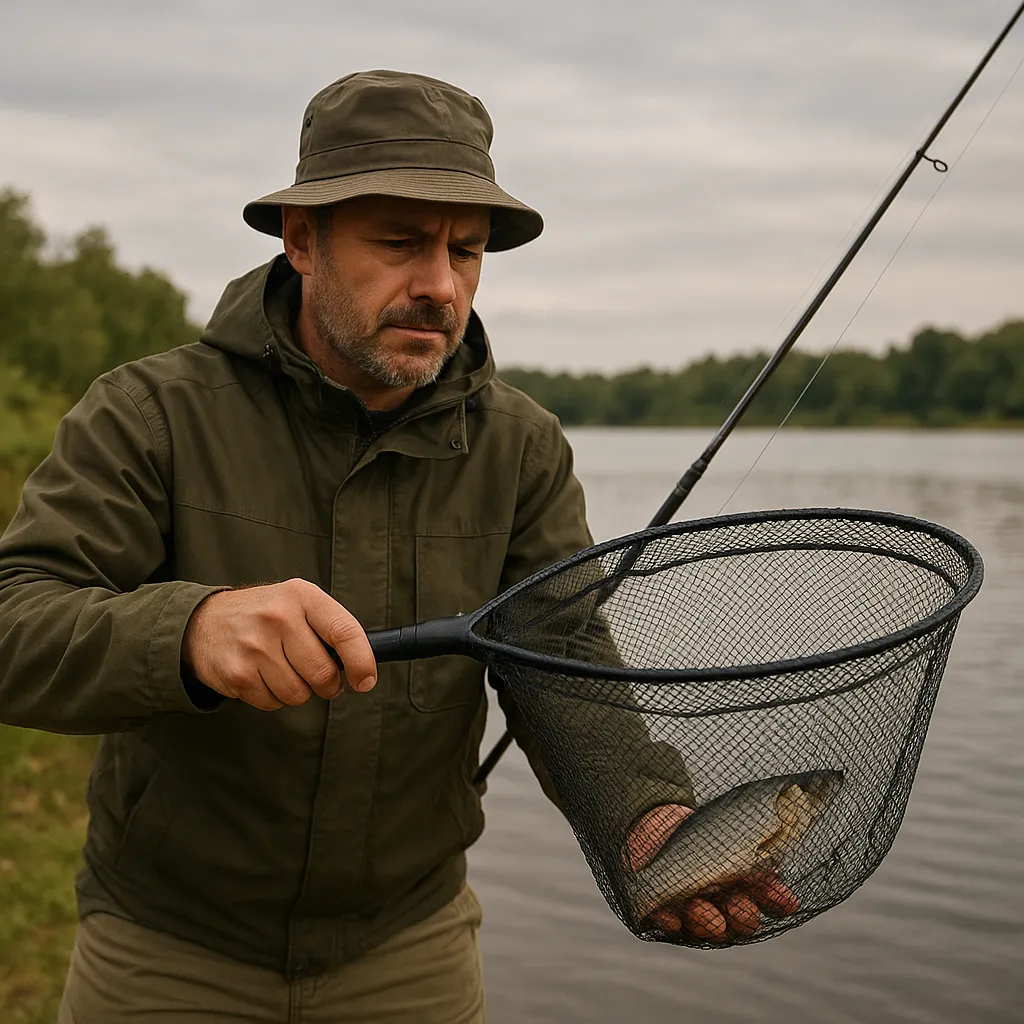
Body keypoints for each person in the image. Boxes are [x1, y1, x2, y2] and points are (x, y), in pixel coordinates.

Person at [0, 70, 796, 1022]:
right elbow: (18, 622)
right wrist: (191, 630)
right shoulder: (150, 413)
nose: (439, 284)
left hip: (408, 949)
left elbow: (564, 660)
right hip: (167, 948)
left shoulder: (522, 446)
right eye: (400, 243)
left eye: (466, 250)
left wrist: (646, 816)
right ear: (302, 240)